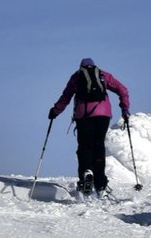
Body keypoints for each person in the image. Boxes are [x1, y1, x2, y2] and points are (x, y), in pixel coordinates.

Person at [49, 58, 130, 195]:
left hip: (84, 115)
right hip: (103, 115)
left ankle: (86, 173)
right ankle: (100, 184)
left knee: (85, 145)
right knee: (99, 146)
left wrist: (55, 111)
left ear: (81, 67)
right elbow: (122, 89)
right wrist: (124, 109)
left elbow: (66, 97)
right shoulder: (104, 75)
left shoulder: (76, 77)